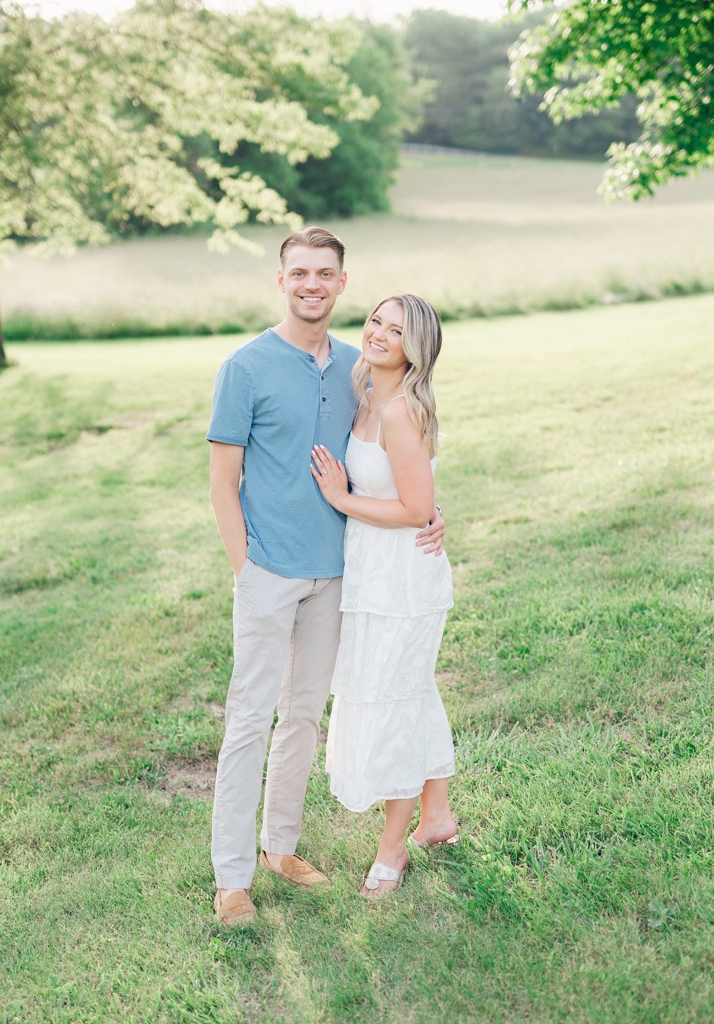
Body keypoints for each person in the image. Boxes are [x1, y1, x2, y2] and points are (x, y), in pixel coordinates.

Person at [206, 227, 446, 925]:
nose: (311, 284)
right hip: (267, 572)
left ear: (342, 284)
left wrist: (430, 516)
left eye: (325, 274)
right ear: (281, 280)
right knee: (249, 720)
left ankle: (280, 847)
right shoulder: (244, 367)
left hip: (339, 577)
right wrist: (244, 566)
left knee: (303, 717)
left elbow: (402, 459)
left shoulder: (358, 371)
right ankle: (232, 876)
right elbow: (223, 481)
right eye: (299, 273)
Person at [310, 293, 457, 898]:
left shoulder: (399, 411)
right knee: (409, 690)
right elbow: (415, 493)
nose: (378, 333)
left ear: (413, 348)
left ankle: (392, 850)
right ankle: (439, 816)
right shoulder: (364, 396)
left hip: (403, 579)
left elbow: (417, 507)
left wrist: (343, 500)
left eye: (395, 330)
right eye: (375, 319)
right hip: (372, 574)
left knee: (396, 700)